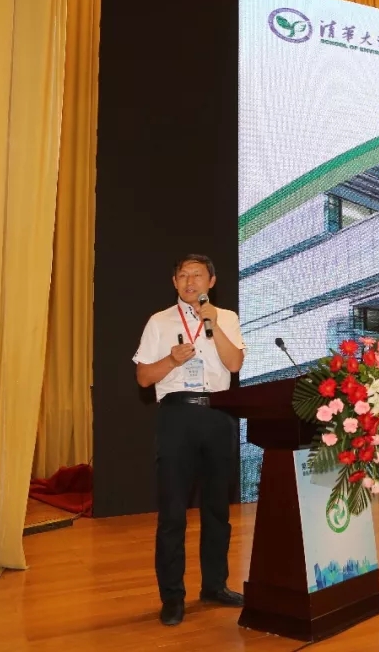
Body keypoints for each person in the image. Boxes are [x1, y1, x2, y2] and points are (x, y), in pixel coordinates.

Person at [133, 254, 246, 626]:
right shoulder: (159, 321)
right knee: (173, 512)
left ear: (211, 281)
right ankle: (172, 597)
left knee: (217, 509)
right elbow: (144, 378)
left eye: (197, 275)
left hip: (219, 415)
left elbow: (234, 365)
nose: (190, 281)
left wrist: (212, 323)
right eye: (183, 275)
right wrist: (171, 360)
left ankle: (214, 585)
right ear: (174, 282)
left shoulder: (226, 317)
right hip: (177, 415)